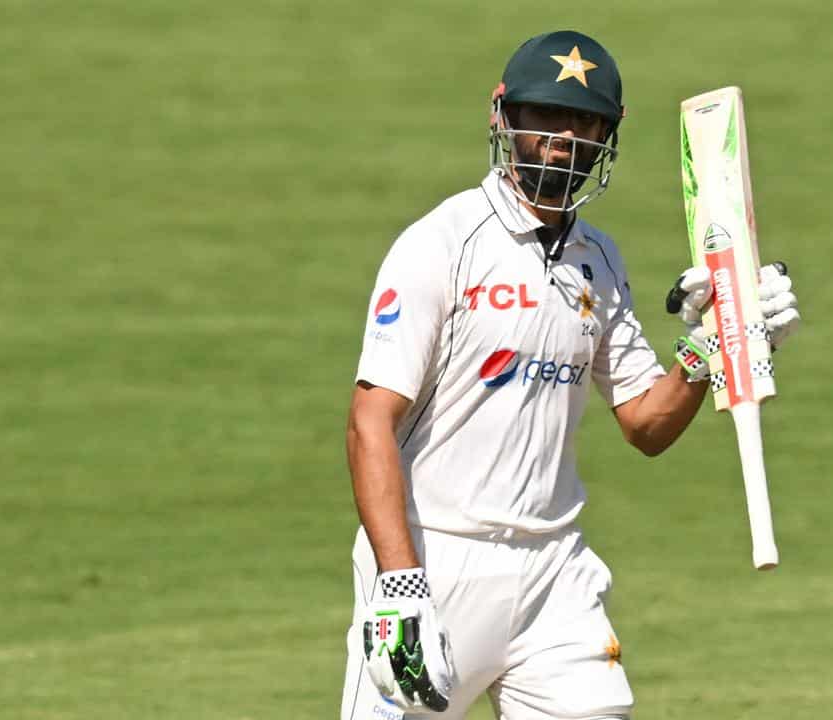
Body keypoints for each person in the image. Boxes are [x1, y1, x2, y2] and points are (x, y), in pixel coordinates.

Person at [341, 29, 801, 720]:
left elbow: (646, 423)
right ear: (504, 115)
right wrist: (399, 582)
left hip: (554, 570)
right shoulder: (443, 244)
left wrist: (711, 345)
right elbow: (369, 420)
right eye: (545, 116)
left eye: (584, 123)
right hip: (436, 561)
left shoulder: (599, 261)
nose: (564, 138)